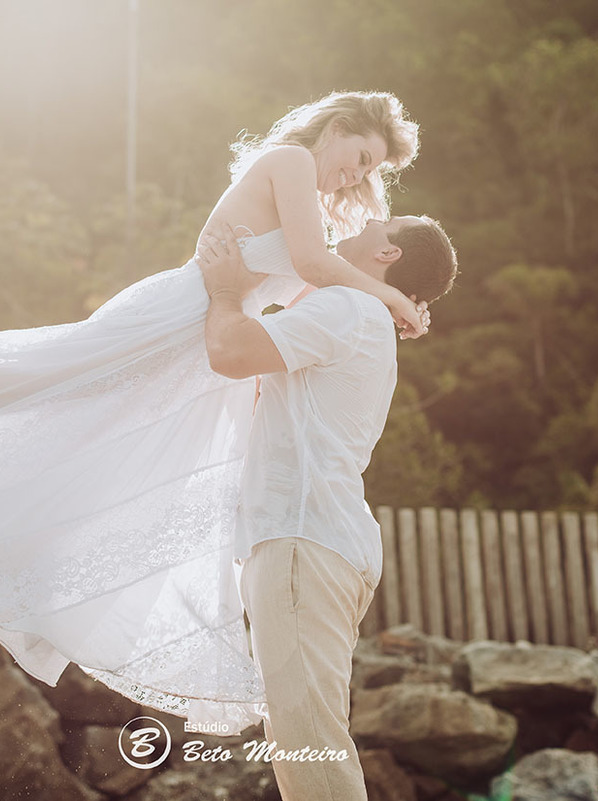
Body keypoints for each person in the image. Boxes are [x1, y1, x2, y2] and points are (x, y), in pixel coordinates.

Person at [0, 91, 427, 733]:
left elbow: (312, 290)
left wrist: (383, 303)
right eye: (360, 157)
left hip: (202, 354)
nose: (354, 175)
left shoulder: (314, 199)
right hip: (177, 316)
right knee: (22, 379)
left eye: (368, 170)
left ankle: (33, 569)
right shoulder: (292, 163)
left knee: (114, 469)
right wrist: (391, 298)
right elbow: (309, 259)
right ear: (335, 128)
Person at [195, 214, 457, 800]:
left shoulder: (350, 311)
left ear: (387, 252)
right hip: (315, 542)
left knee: (307, 743)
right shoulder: (359, 314)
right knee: (304, 739)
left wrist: (224, 291)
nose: (366, 218)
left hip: (301, 543)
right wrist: (397, 299)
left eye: (380, 221)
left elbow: (232, 351)